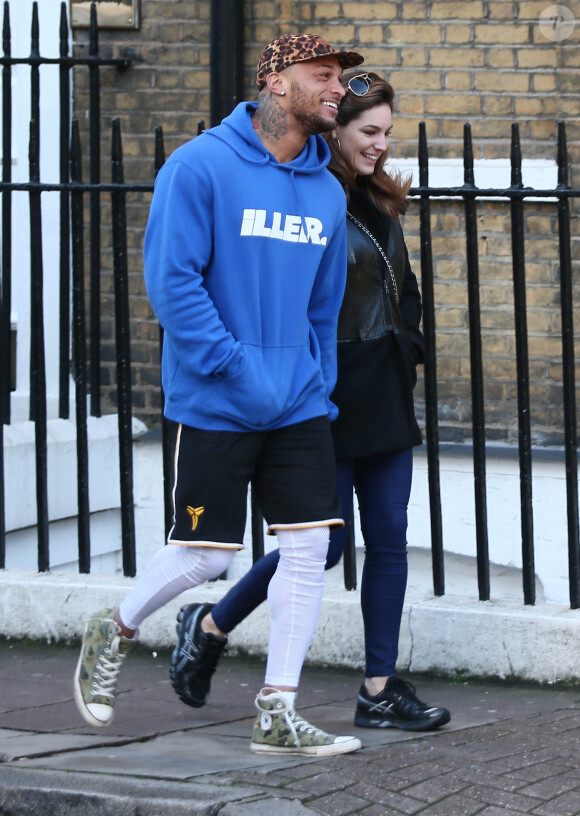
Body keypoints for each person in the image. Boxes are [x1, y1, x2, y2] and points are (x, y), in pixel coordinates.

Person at [73, 33, 367, 757]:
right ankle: (113, 629)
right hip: (216, 399)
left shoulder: (326, 190)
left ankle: (278, 709)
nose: (339, 90)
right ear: (276, 81)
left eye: (342, 80)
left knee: (307, 550)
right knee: (206, 557)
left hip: (297, 402)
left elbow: (323, 307)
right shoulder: (200, 167)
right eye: (322, 76)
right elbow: (173, 283)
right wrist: (233, 365)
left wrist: (316, 381)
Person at [170, 71, 451, 733]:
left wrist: (409, 344)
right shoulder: (306, 193)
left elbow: (404, 289)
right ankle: (209, 625)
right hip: (319, 394)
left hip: (382, 388)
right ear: (336, 126)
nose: (380, 145)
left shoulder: (380, 200)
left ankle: (379, 688)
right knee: (320, 548)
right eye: (368, 132)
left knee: (389, 540)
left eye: (386, 133)